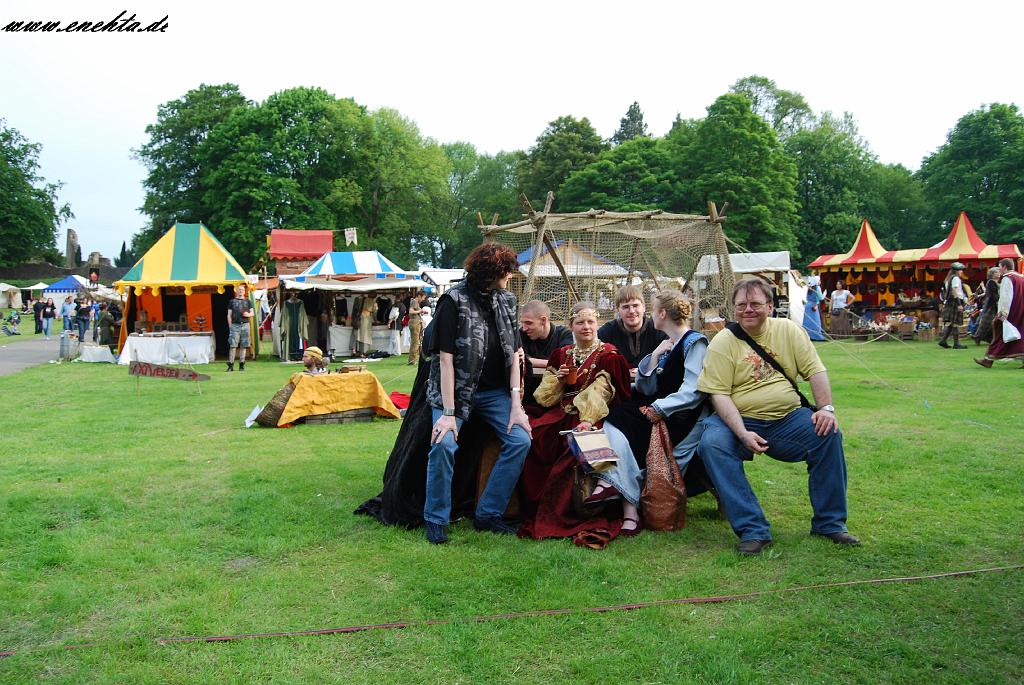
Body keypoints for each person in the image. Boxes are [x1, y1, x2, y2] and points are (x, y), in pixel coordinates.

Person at [697, 277, 859, 555]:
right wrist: (742, 433)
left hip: (787, 419)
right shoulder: (723, 341)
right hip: (739, 418)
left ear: (770, 306)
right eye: (741, 305)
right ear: (734, 308)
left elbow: (816, 370)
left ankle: (829, 523)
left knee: (827, 432)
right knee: (712, 443)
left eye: (755, 304)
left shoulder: (789, 331)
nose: (748, 309)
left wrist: (826, 409)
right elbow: (719, 394)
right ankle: (753, 530)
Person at [421, 242, 532, 544]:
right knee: (443, 444)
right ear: (492, 271)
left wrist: (516, 404)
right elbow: (444, 361)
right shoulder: (452, 301)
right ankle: (436, 518)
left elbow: (514, 355)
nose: (511, 276)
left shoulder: (507, 301)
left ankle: (488, 514)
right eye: (507, 270)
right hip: (454, 395)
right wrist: (447, 414)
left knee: (520, 439)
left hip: (496, 393)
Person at [592, 290, 711, 536]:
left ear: (662, 313)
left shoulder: (694, 342)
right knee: (611, 417)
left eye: (653, 310)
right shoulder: (669, 343)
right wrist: (655, 356)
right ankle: (617, 491)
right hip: (663, 411)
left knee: (621, 424)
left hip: (681, 418)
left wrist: (658, 408)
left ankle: (617, 491)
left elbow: (693, 392)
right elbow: (648, 387)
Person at [517, 302, 633, 544]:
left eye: (590, 322)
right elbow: (544, 398)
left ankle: (580, 508)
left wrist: (588, 420)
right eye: (580, 322)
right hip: (560, 412)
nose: (586, 327)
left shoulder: (608, 355)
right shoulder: (562, 354)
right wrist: (558, 381)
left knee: (571, 452)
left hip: (592, 415)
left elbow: (601, 391)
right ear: (571, 325)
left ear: (597, 323)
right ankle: (529, 508)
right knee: (535, 437)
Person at [596, 285, 668, 369]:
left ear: (644, 307)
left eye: (635, 305)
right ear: (618, 309)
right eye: (626, 307)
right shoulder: (606, 332)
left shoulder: (658, 329)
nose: (631, 311)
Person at [519, 299, 573, 408]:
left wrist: (530, 361)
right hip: (527, 397)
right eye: (523, 323)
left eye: (529, 323)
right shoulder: (521, 334)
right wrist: (552, 363)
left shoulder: (564, 334)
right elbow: (520, 359)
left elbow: (565, 361)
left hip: (557, 397)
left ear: (543, 320)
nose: (524, 328)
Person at [975, 258, 1024, 368]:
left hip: (1011, 312)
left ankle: (988, 359)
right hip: (1020, 310)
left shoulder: (1008, 278)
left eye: (1000, 267)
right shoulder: (1021, 277)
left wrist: (1002, 312)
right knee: (1020, 335)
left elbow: (1005, 296)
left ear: (1005, 267)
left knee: (998, 333)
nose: (999, 269)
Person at [938, 262, 969, 349]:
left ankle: (943, 341)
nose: (962, 272)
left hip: (951, 301)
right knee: (955, 323)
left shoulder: (949, 278)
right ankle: (956, 344)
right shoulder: (955, 278)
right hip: (955, 301)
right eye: (960, 270)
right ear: (956, 271)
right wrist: (959, 304)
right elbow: (954, 291)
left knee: (952, 323)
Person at [226, 284, 253, 372]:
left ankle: (242, 365)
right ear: (236, 291)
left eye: (242, 290)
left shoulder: (248, 301)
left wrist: (248, 314)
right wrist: (230, 325)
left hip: (245, 325)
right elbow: (229, 315)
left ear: (244, 291)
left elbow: (252, 313)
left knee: (243, 345)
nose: (241, 291)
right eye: (239, 289)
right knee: (233, 345)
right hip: (235, 325)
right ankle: (231, 365)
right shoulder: (232, 301)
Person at [972, 267, 1001, 346]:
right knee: (986, 322)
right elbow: (993, 295)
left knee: (991, 323)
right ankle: (978, 337)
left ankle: (987, 338)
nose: (999, 273)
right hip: (992, 305)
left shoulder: (996, 282)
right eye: (996, 272)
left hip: (994, 305)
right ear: (992, 274)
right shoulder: (991, 282)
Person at [802, 275, 826, 341]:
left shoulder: (809, 288)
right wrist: (825, 293)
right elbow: (821, 297)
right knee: (816, 321)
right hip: (813, 305)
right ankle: (816, 336)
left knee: (807, 321)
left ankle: (807, 335)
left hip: (807, 305)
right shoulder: (817, 288)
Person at [406, 292, 426, 366]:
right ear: (419, 296)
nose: (423, 299)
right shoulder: (414, 301)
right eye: (423, 297)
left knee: (416, 342)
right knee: (415, 342)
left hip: (416, 322)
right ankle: (412, 360)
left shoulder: (415, 302)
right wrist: (420, 311)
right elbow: (411, 311)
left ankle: (413, 359)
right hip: (414, 323)